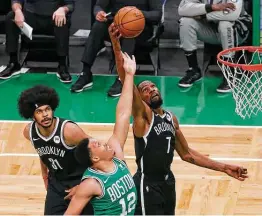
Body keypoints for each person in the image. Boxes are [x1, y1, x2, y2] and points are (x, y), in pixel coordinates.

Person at [109, 23, 248, 215]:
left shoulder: (170, 118)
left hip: (168, 182)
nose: (152, 89)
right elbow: (126, 78)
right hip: (147, 184)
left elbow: (187, 154)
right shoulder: (144, 117)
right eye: (146, 90)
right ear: (140, 99)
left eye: (153, 87)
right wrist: (116, 44)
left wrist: (224, 168)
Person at [64, 51, 137, 215]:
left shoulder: (117, 158)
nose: (104, 143)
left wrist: (129, 75)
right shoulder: (92, 183)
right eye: (97, 145)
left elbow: (123, 115)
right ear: (95, 158)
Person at [17, 85, 93, 215]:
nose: (45, 115)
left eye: (47, 109)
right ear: (32, 115)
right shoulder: (29, 132)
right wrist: (45, 175)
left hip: (80, 181)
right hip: (57, 184)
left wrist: (85, 186)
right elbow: (42, 152)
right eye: (39, 111)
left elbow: (99, 155)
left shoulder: (69, 131)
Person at [70, 0, 162, 97]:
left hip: (140, 28)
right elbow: (98, 6)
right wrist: (99, 13)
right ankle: (85, 72)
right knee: (98, 26)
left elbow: (157, 14)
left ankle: (122, 78)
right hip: (116, 24)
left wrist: (136, 13)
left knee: (128, 30)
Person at [178, 0, 251, 93]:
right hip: (212, 29)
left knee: (225, 24)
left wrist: (203, 15)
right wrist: (212, 7)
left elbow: (233, 14)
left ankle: (230, 74)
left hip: (237, 30)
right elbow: (182, 9)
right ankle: (194, 70)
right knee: (186, 22)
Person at [0, 0, 73, 83]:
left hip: (53, 17)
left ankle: (62, 66)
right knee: (11, 16)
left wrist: (63, 9)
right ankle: (13, 63)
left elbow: (70, 4)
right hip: (31, 17)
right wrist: (17, 10)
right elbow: (16, 1)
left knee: (63, 20)